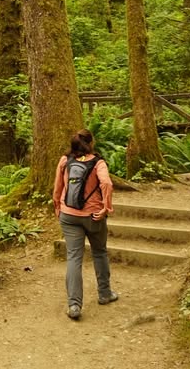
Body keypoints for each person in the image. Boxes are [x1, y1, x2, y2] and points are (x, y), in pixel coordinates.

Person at [51, 129, 118, 320]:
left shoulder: (65, 161)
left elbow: (58, 187)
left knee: (73, 258)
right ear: (91, 143)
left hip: (69, 215)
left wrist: (58, 207)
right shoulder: (98, 163)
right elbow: (107, 184)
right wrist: (106, 207)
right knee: (99, 252)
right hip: (94, 216)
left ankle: (74, 305)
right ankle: (105, 294)